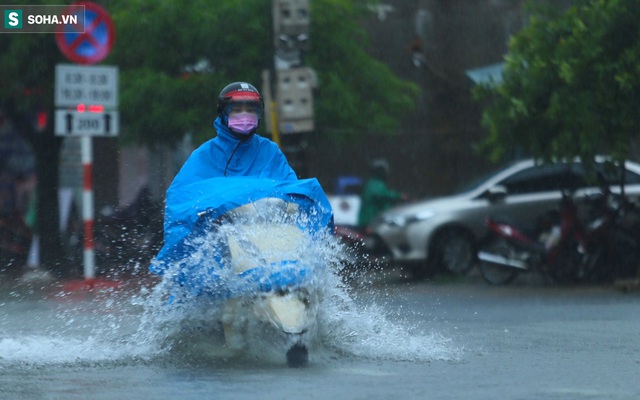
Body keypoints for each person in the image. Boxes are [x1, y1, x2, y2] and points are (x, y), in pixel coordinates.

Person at [167, 81, 297, 187]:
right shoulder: (204, 155)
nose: (245, 115)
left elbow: (292, 191)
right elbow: (181, 199)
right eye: (237, 110)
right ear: (223, 113)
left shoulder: (270, 151)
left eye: (251, 110)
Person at [357, 158, 404, 229]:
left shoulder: (375, 183)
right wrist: (398, 196)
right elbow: (380, 195)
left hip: (374, 220)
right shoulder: (375, 183)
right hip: (370, 220)